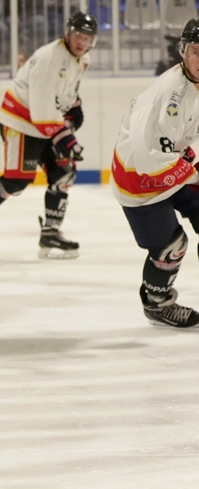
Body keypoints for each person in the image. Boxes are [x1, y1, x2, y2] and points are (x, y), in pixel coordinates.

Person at [0, 11, 96, 260]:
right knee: (17, 180)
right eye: (78, 35)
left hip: (44, 123)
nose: (82, 42)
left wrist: (73, 105)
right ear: (67, 32)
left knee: (64, 173)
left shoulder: (82, 58)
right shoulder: (49, 59)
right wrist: (66, 138)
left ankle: (50, 233)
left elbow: (63, 92)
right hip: (20, 121)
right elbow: (42, 109)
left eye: (87, 38)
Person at [110, 19, 199, 329]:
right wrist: (191, 169)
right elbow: (149, 158)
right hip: (139, 179)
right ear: (183, 53)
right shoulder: (166, 94)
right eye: (196, 51)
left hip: (174, 167)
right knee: (171, 247)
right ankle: (157, 304)